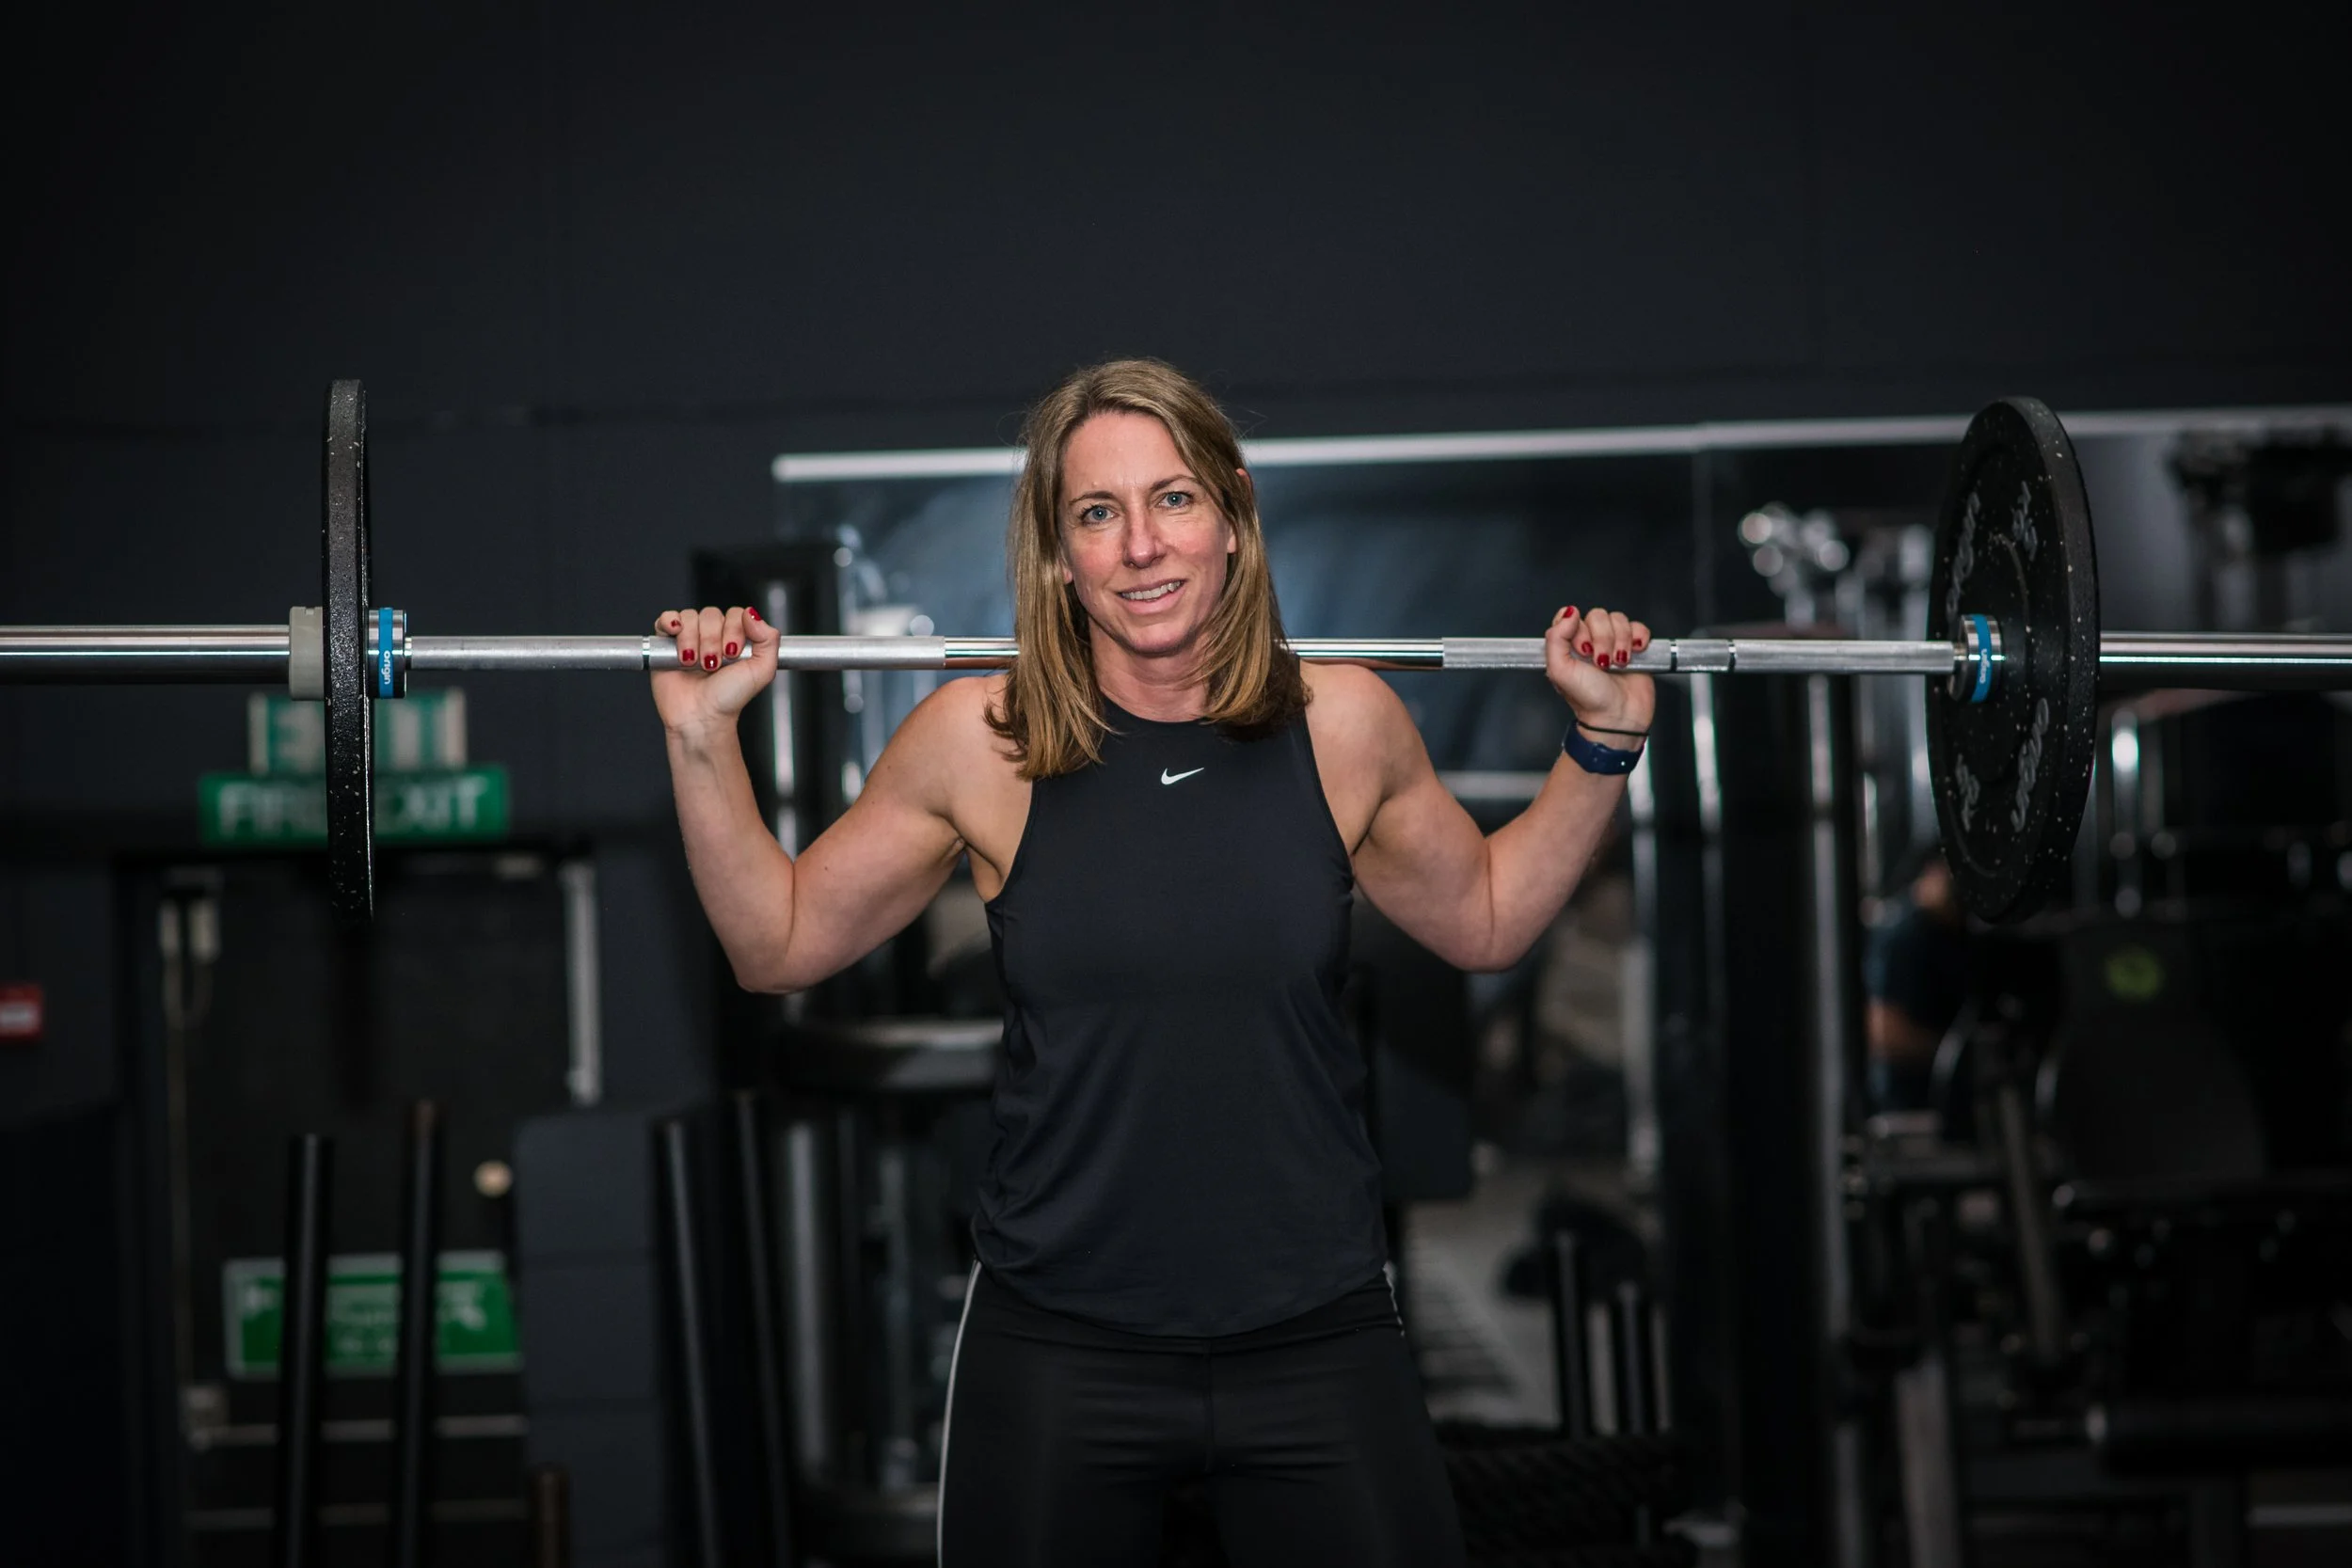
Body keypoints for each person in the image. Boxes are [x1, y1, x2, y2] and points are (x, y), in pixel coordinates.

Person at [650, 359, 1653, 1568]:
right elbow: (779, 943)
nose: (1139, 544)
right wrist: (702, 740)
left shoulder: (1341, 723)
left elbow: (1483, 918)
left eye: (1172, 499)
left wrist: (1601, 742)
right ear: (1058, 553)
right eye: (1096, 513)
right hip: (1062, 1342)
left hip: (1314, 1332)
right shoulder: (981, 742)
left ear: (1231, 513)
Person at [1864, 845, 1971, 1114]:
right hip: (1906, 1104)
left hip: (1945, 1102)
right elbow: (1884, 1032)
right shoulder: (1904, 936)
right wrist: (1956, 1058)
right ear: (1932, 873)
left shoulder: (1954, 934)